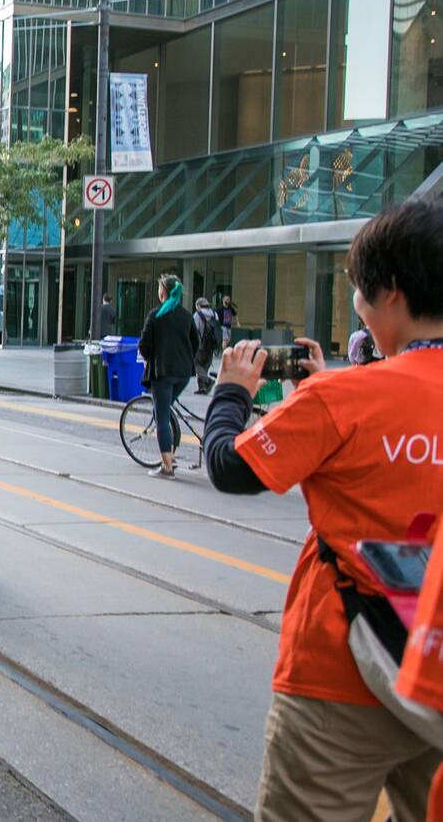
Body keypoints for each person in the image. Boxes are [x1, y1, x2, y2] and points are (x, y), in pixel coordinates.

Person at [203, 199, 443, 822]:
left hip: (341, 674)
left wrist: (232, 391)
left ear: (388, 293)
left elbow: (230, 468)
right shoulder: (345, 390)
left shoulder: (344, 398)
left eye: (358, 288)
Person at [137, 274, 198, 479]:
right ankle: (170, 452)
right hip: (183, 373)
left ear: (162, 292)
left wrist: (149, 357)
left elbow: (144, 345)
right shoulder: (186, 315)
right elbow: (195, 342)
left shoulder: (156, 315)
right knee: (163, 411)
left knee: (161, 417)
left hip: (163, 372)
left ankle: (167, 467)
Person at [192, 296, 220, 394]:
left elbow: (195, 330)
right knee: (205, 365)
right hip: (211, 345)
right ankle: (202, 388)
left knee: (196, 364)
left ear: (199, 306)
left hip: (200, 344)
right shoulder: (214, 314)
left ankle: (207, 380)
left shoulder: (197, 314)